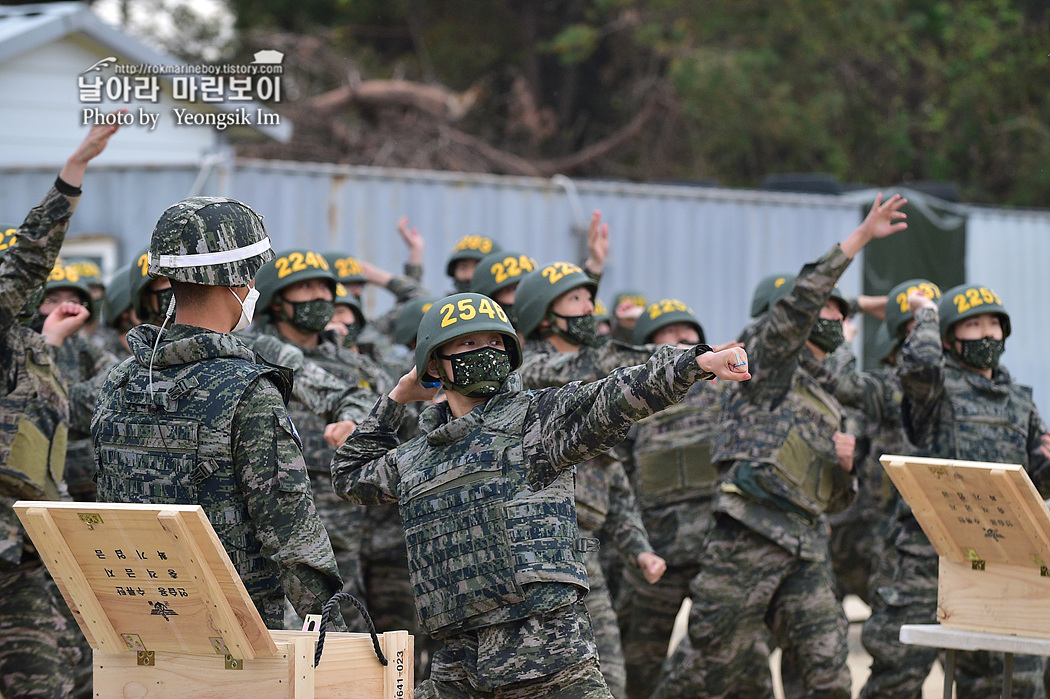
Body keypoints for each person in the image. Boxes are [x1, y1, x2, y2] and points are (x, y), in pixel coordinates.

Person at [331, 292, 751, 699]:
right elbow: (349, 475)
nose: (487, 350)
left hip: (552, 666)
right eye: (469, 343)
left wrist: (695, 363)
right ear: (435, 364)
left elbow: (617, 393)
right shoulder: (419, 457)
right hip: (458, 673)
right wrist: (398, 397)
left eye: (496, 341)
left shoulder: (537, 421)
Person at [651, 193, 909, 699]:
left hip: (805, 543)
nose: (835, 320)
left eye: (841, 313)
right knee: (710, 661)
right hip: (749, 533)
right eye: (827, 311)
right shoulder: (766, 367)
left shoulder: (831, 395)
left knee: (829, 668)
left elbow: (835, 498)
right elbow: (802, 298)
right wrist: (858, 239)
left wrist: (847, 467)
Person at [92, 198, 344, 630]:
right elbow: (292, 535)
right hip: (233, 636)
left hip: (140, 623)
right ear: (238, 279)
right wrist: (337, 638)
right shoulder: (248, 392)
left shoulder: (119, 381)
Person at [860, 282, 1050, 698]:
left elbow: (1037, 481)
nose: (986, 334)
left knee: (1009, 682)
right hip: (925, 558)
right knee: (896, 679)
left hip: (998, 560)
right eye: (972, 325)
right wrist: (927, 313)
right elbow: (920, 365)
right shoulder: (934, 390)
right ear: (949, 338)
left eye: (994, 325)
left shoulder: (1020, 403)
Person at [0, 119, 119, 699]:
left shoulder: (27, 350)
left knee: (50, 680)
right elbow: (24, 263)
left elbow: (23, 407)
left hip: (22, 555)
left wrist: (48, 341)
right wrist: (72, 173)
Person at [614, 299, 731, 699]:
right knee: (637, 666)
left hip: (714, 552)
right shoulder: (630, 403)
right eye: (670, 334)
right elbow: (618, 480)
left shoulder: (724, 394)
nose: (683, 340)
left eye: (690, 335)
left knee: (728, 659)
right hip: (654, 557)